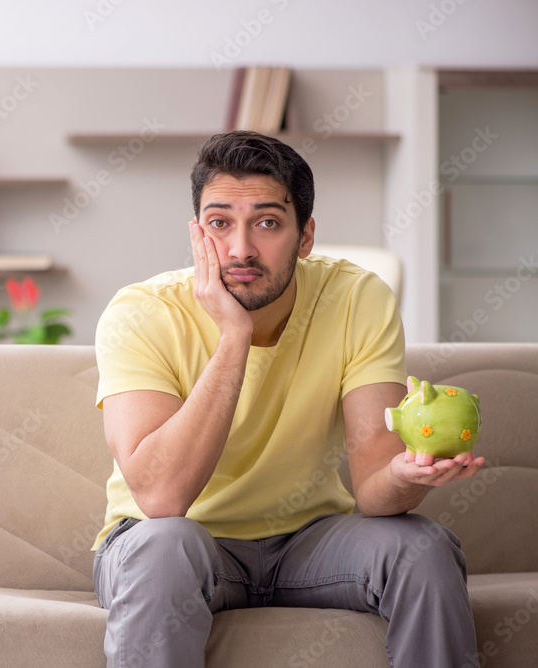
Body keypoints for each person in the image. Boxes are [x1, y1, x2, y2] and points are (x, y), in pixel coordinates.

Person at [91, 130, 484, 668]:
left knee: (422, 546)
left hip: (309, 542)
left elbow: (372, 488)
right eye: (220, 223)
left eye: (268, 223)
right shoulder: (141, 313)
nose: (240, 249)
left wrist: (405, 474)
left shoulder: (356, 298)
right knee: (167, 546)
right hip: (175, 544)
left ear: (305, 236)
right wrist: (235, 337)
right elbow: (161, 499)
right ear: (197, 233)